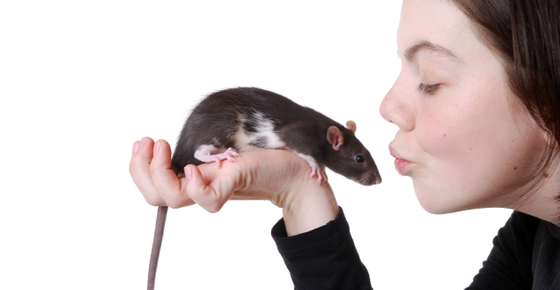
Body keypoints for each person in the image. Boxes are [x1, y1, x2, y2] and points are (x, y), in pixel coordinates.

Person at [129, 0, 560, 288]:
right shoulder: (536, 237)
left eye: (429, 81)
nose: (388, 105)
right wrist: (298, 190)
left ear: (547, 99)